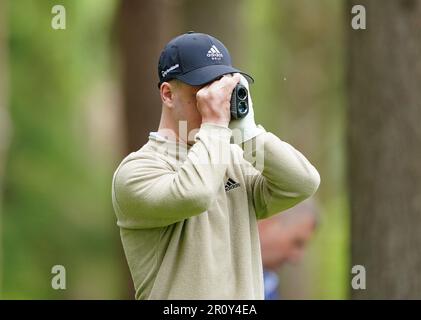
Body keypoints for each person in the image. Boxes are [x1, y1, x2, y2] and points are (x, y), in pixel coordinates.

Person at [111, 31, 320, 299]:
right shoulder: (137, 170)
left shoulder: (233, 157)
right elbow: (196, 194)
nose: (215, 102)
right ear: (167, 94)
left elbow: (302, 183)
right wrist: (214, 126)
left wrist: (248, 133)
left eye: (221, 89)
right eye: (203, 90)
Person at [258, 200, 318, 299]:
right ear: (267, 221)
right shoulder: (225, 272)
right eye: (297, 243)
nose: (296, 258)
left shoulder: (269, 284)